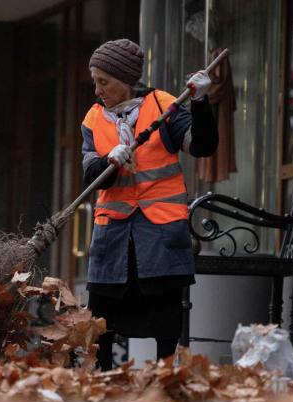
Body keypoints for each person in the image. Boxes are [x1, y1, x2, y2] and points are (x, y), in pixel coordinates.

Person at [81, 39, 218, 370]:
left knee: (165, 314)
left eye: (104, 81)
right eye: (95, 81)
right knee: (101, 317)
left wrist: (200, 103)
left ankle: (165, 378)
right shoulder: (93, 119)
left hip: (160, 231)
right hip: (113, 236)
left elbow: (202, 146)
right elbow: (90, 175)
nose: (98, 90)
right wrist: (107, 162)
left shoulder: (164, 107)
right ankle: (102, 381)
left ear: (126, 79)